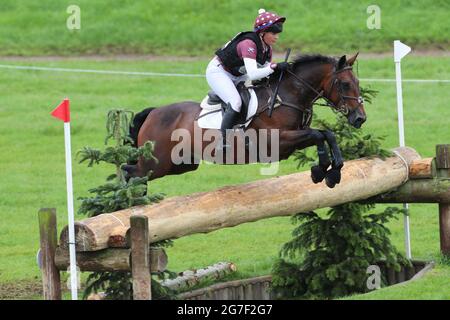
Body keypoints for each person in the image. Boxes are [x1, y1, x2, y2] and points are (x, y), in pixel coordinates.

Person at [206, 9, 289, 151]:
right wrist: (275, 66)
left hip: (238, 75)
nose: (277, 37)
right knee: (236, 102)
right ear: (262, 33)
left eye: (278, 34)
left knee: (255, 97)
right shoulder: (248, 44)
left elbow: (265, 70)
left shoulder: (267, 48)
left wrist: (281, 70)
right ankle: (223, 141)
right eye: (274, 33)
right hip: (219, 72)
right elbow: (253, 74)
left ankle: (245, 132)